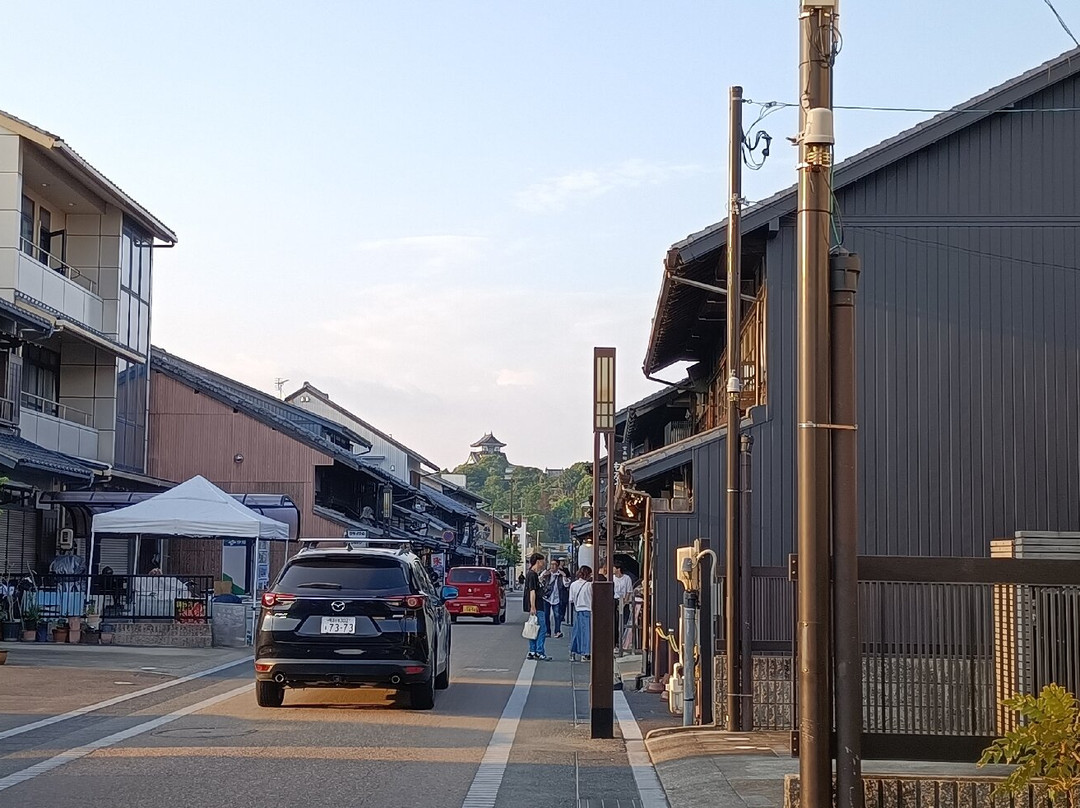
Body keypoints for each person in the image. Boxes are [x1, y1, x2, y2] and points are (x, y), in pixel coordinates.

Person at [522, 552, 550, 661]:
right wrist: (533, 606)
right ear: (538, 561)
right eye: (542, 562)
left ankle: (532, 651)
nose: (543, 564)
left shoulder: (531, 574)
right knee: (542, 629)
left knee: (533, 627)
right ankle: (539, 651)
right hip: (537, 605)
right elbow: (532, 591)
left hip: (535, 605)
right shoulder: (532, 575)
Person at [568, 565, 593, 662]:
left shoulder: (573, 585)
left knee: (576, 632)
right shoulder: (589, 585)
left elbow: (571, 599)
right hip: (587, 610)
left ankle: (572, 652)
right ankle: (585, 653)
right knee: (586, 633)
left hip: (577, 610)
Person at [540, 560, 569, 638]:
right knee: (546, 615)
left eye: (554, 564)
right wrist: (544, 576)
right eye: (551, 564)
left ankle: (557, 631)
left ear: (558, 566)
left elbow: (566, 584)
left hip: (557, 598)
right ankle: (547, 631)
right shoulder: (546, 573)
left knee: (557, 615)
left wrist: (564, 576)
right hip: (546, 597)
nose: (552, 566)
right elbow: (540, 581)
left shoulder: (560, 575)